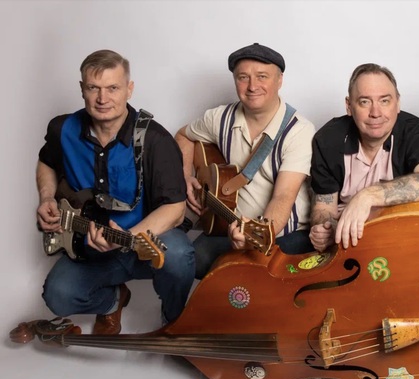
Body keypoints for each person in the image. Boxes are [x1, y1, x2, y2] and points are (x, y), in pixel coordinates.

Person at [37, 49, 195, 334]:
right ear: (82, 89)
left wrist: (124, 239)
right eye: (93, 88)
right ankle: (112, 302)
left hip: (145, 244)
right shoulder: (63, 128)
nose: (103, 98)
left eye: (113, 88)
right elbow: (47, 162)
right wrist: (47, 197)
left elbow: (175, 209)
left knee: (179, 255)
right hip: (89, 246)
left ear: (129, 89)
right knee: (58, 296)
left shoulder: (155, 139)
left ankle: (174, 322)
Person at [175, 43, 315, 279]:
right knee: (188, 263)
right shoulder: (219, 118)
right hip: (227, 225)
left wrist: (256, 236)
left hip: (284, 235)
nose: (252, 86)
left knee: (253, 280)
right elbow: (183, 136)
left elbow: (283, 196)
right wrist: (186, 176)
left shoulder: (299, 131)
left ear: (279, 80)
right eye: (243, 77)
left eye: (262, 77)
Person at [310, 63, 419, 252]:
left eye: (384, 101)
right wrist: (325, 228)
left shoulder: (413, 131)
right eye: (364, 102)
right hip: (348, 242)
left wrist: (366, 197)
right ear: (349, 106)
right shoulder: (327, 139)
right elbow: (324, 206)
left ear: (398, 103)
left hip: (400, 238)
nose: (375, 113)